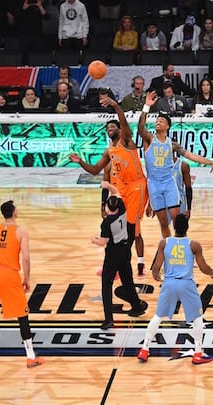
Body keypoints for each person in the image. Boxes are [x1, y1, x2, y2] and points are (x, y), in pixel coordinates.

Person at [70, 93, 149, 276]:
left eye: (113, 126)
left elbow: (124, 123)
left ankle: (136, 266)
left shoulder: (126, 141)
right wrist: (80, 161)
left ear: (120, 130)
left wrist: (114, 104)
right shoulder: (109, 151)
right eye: (108, 127)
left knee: (132, 231)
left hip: (137, 187)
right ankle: (117, 268)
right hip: (121, 189)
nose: (110, 129)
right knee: (118, 227)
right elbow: (95, 170)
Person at [136, 214, 213, 364]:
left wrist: (155, 274)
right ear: (187, 227)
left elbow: (156, 268)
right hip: (186, 284)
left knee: (158, 316)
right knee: (197, 318)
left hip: (169, 283)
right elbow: (203, 267)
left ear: (173, 227)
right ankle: (198, 352)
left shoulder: (164, 243)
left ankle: (145, 348)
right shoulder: (194, 245)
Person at [0, 200, 44, 367]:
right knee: (22, 314)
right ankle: (31, 356)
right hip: (9, 275)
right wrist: (27, 278)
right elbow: (25, 257)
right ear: (14, 212)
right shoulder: (21, 232)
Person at [140, 91, 213, 238]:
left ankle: (181, 246)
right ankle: (169, 247)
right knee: (163, 223)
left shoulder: (173, 144)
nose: (158, 122)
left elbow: (191, 156)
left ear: (168, 127)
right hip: (154, 184)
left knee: (177, 221)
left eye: (161, 121)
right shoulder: (149, 139)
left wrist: (210, 162)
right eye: (157, 120)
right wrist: (146, 107)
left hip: (169, 183)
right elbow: (140, 129)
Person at [92, 182, 148, 329]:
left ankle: (109, 319)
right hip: (125, 251)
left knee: (106, 285)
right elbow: (116, 191)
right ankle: (137, 307)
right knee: (127, 280)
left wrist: (94, 240)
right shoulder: (122, 209)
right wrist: (107, 185)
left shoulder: (106, 223)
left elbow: (103, 242)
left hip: (113, 254)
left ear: (107, 207)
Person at [102, 162, 147, 277]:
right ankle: (116, 266)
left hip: (131, 199)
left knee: (136, 234)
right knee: (114, 237)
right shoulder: (109, 166)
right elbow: (105, 186)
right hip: (117, 204)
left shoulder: (129, 164)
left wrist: (149, 202)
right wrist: (103, 206)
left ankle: (140, 265)